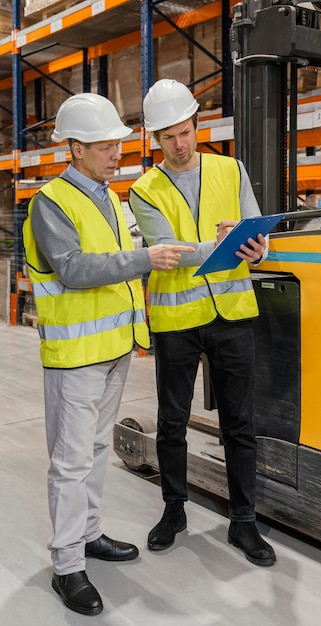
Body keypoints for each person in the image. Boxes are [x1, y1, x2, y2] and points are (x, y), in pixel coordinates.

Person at [22, 92, 194, 616]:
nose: (116, 153)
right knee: (71, 463)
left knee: (96, 453)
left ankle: (89, 535)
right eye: (104, 146)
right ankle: (68, 565)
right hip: (75, 357)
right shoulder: (50, 201)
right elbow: (73, 269)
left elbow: (127, 261)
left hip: (115, 348)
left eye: (118, 144)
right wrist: (144, 258)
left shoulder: (111, 198)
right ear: (74, 149)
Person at [129, 79, 276, 567]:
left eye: (186, 131)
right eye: (168, 136)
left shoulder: (230, 169)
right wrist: (222, 247)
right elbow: (167, 253)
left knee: (240, 424)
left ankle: (244, 522)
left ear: (198, 124)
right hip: (177, 320)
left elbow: (256, 230)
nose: (180, 143)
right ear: (155, 139)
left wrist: (257, 248)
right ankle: (175, 510)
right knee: (172, 423)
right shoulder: (143, 190)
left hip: (231, 313)